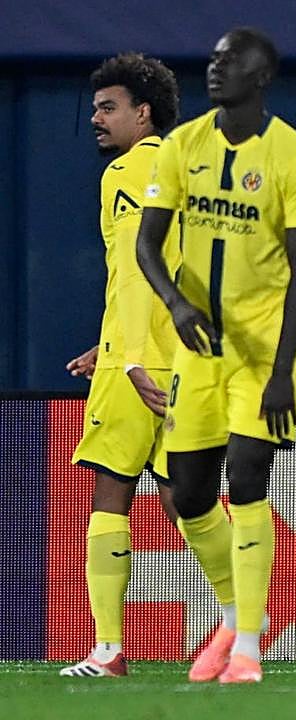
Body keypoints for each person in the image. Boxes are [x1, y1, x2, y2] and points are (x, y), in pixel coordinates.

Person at [135, 27, 296, 684]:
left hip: (266, 353)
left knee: (247, 480)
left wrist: (282, 372)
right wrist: (175, 304)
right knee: (187, 498)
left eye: (231, 61)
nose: (216, 69)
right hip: (199, 352)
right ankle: (235, 610)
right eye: (214, 59)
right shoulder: (183, 145)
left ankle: (247, 645)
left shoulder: (294, 156)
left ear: (262, 75)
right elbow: (147, 245)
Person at [59, 53, 182, 678]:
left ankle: (108, 648)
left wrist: (128, 356)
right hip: (185, 358)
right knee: (187, 502)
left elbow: (136, 270)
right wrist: (104, 340)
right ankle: (243, 633)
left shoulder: (129, 171)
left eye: (108, 108)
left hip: (137, 364)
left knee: (110, 495)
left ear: (143, 112)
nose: (97, 120)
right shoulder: (190, 164)